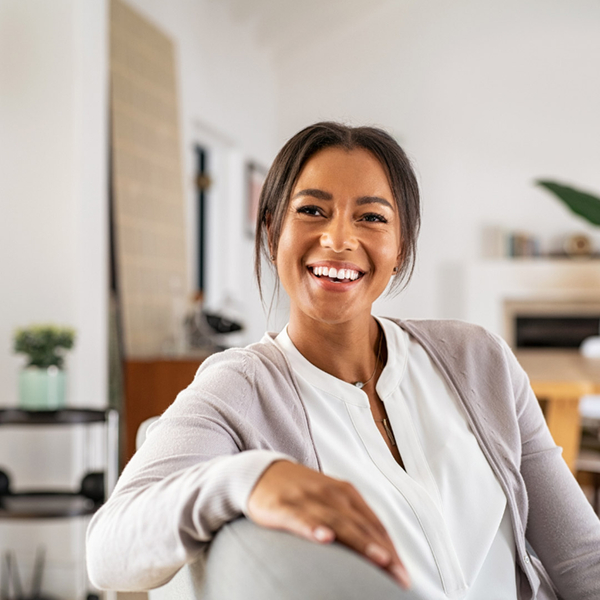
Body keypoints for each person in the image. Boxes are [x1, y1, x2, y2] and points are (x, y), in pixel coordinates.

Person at [86, 122, 600, 600]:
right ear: (272, 232)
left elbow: (580, 556)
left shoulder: (479, 359)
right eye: (312, 210)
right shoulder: (239, 388)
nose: (338, 239)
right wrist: (251, 478)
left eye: (372, 217)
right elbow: (107, 551)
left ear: (400, 247)